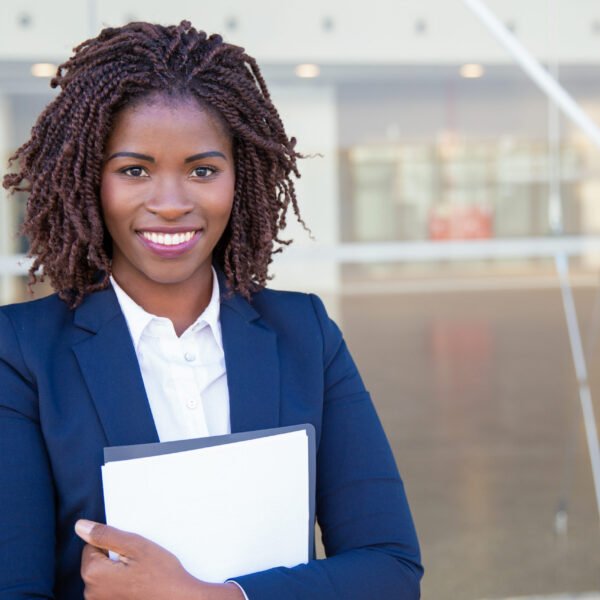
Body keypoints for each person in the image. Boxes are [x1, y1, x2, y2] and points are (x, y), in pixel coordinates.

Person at [0, 21, 422, 600]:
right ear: (90, 183)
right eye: (134, 170)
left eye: (202, 170)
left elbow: (391, 569)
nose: (171, 204)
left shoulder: (306, 334)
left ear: (238, 178)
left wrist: (205, 597)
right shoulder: (22, 352)